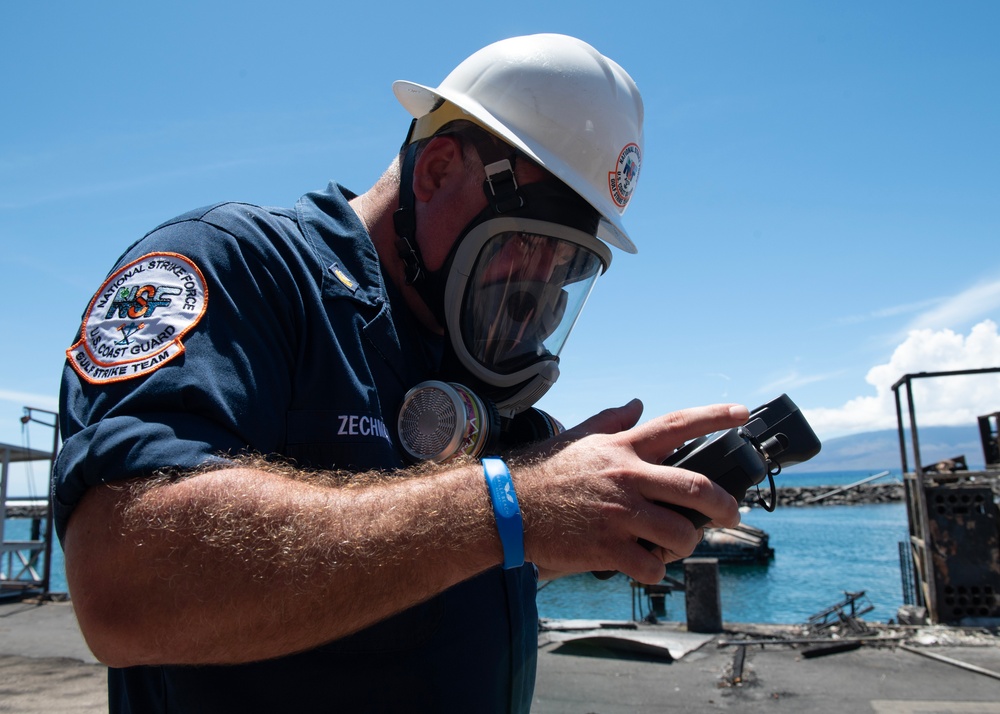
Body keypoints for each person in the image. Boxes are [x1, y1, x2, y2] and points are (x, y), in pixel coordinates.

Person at [53, 34, 746, 713]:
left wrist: (590, 522)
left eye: (566, 267)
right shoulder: (238, 268)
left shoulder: (459, 354)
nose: (542, 293)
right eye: (532, 245)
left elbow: (428, 559)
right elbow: (125, 586)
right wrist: (515, 507)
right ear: (438, 170)